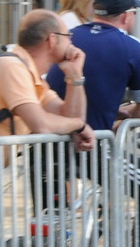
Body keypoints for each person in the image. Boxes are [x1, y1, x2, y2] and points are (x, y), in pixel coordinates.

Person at [46, 0, 140, 132]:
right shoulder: (132, 47)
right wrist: (119, 122)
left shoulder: (67, 36)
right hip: (91, 143)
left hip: (47, 140)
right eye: (134, 13)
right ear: (125, 16)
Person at [0, 10, 95, 148]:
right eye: (68, 36)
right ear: (52, 39)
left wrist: (75, 75)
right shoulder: (12, 66)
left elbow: (68, 117)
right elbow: (41, 124)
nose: (71, 42)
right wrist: (79, 125)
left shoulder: (31, 75)